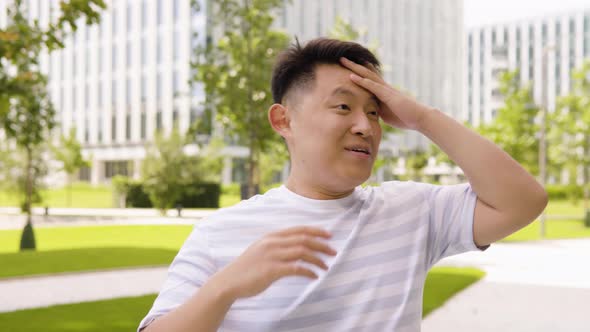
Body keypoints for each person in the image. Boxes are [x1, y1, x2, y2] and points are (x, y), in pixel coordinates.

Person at [138, 38, 547, 332]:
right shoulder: (219, 234)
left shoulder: (411, 210)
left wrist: (422, 117)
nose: (365, 126)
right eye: (343, 107)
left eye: (374, 112)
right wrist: (225, 287)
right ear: (284, 121)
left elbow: (523, 201)